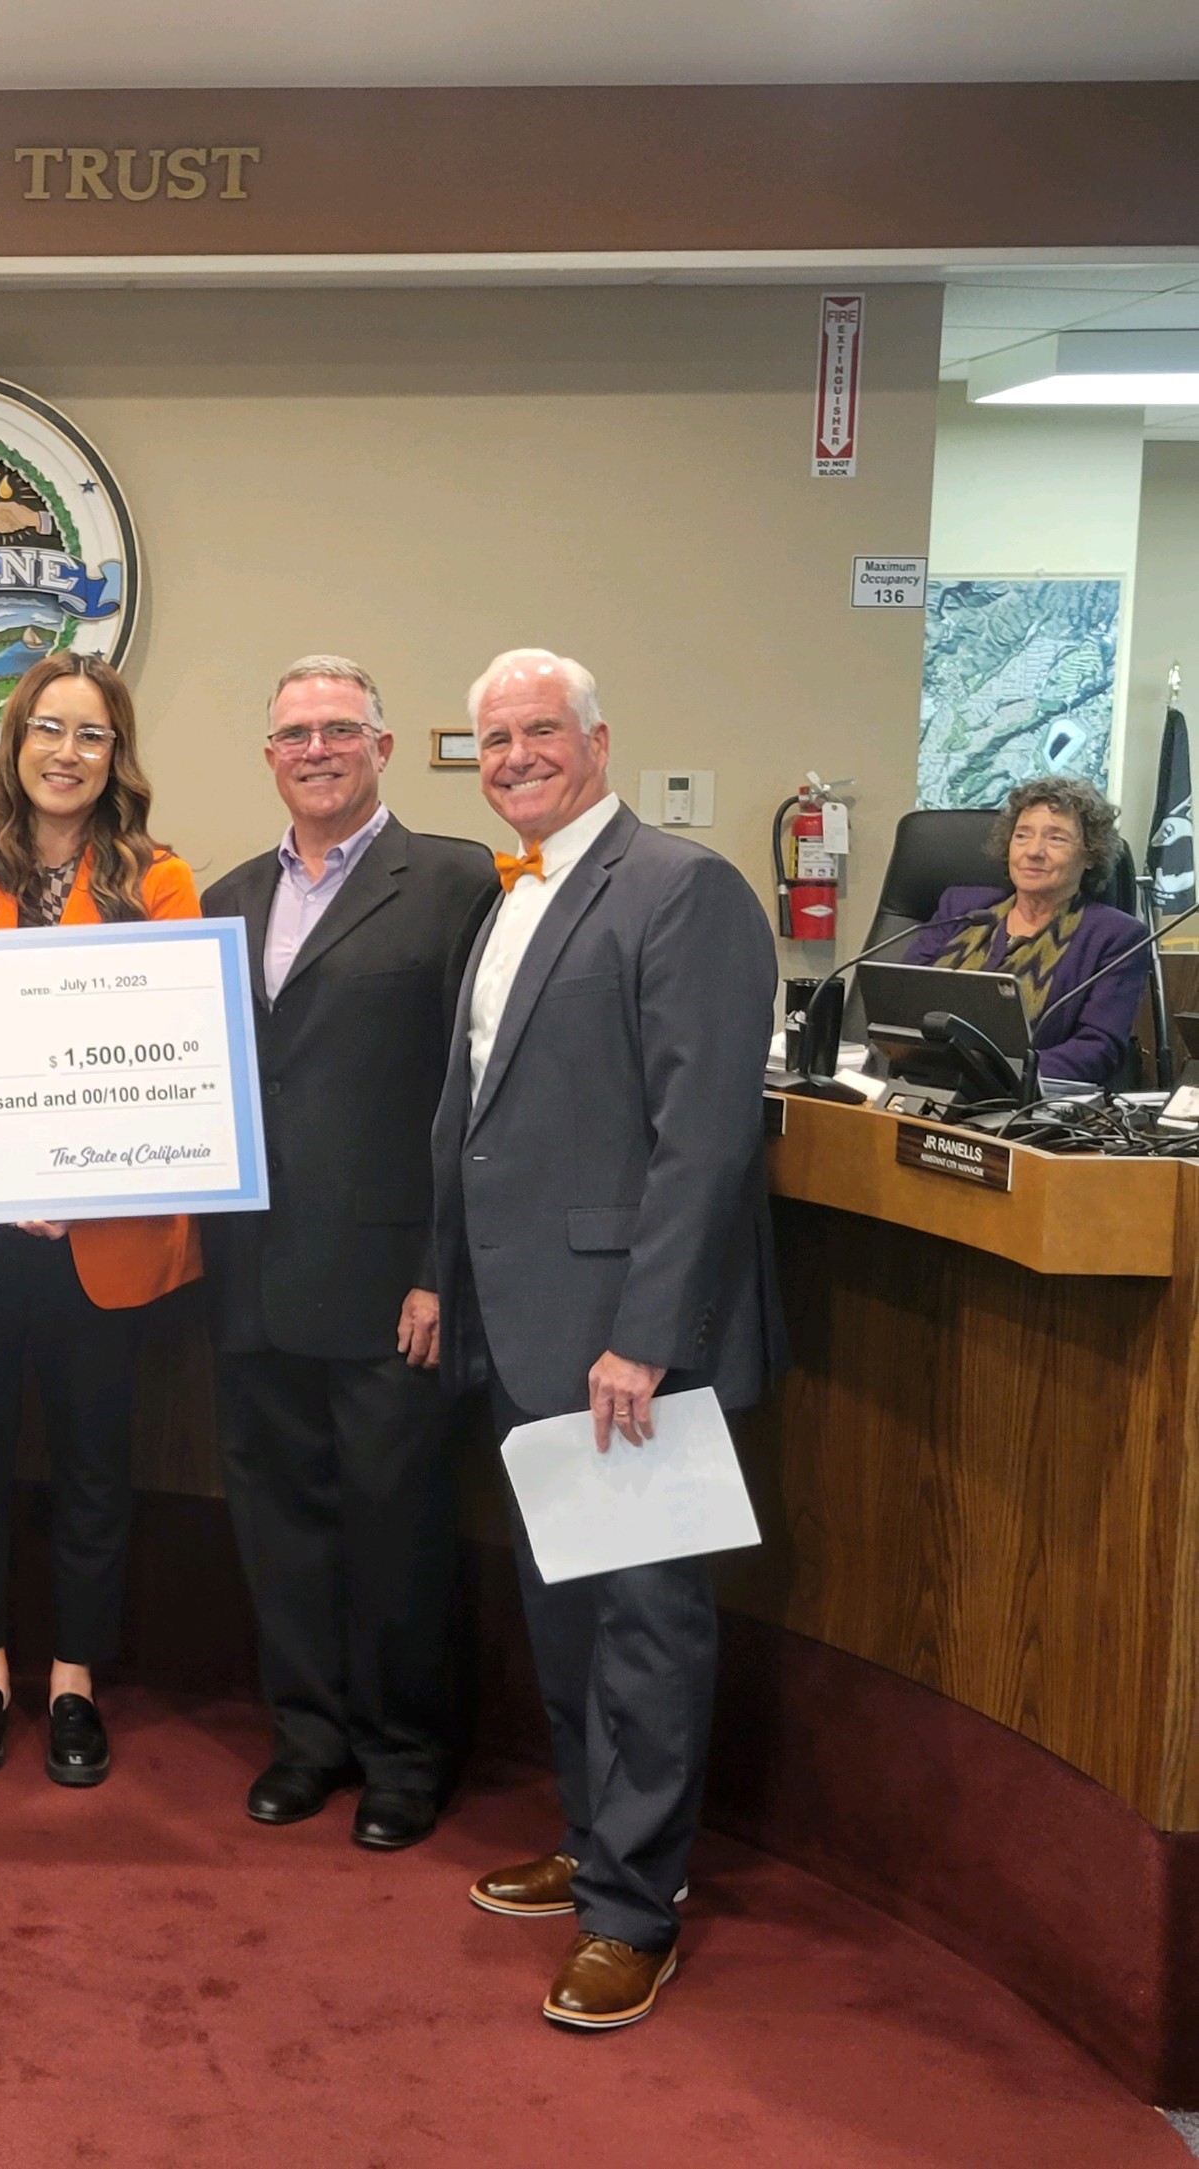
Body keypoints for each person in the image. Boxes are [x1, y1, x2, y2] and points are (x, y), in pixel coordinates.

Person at [432, 648, 780, 2033]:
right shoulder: (515, 891)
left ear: (596, 738)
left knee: (644, 1622)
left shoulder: (680, 886)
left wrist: (645, 1336)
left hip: (627, 1341)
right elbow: (474, 1115)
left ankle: (638, 1912)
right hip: (523, 1328)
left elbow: (703, 1139)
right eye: (496, 737)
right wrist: (438, 1279)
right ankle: (593, 1839)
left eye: (540, 732)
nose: (517, 754)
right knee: (565, 1611)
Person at [0, 653, 198, 1787]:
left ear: (118, 757)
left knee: (93, 1463)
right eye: (49, 731)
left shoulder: (159, 879)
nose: (68, 753)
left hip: (96, 1234)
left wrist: (82, 1181)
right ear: (14, 744)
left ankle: (74, 1683)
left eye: (93, 736)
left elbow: (171, 1061)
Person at [201, 656, 499, 1850]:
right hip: (253, 1273)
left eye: (338, 729)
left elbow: (473, 1091)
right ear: (268, 756)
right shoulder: (226, 895)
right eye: (292, 734)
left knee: (397, 1527)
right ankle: (310, 1738)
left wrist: (441, 1264)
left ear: (380, 745)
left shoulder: (454, 883)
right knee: (278, 1522)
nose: (314, 749)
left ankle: (403, 1755)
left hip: (391, 1282)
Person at [901, 774, 1151, 1085]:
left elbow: (1098, 1049)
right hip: (921, 1080)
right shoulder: (961, 909)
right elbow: (902, 998)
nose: (1033, 851)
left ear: (1089, 855)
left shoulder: (1115, 936)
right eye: (1022, 835)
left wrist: (1001, 1071)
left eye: (1056, 838)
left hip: (1021, 1103)